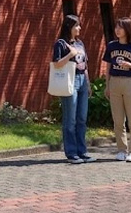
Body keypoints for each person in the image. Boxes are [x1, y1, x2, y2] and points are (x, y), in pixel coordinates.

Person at [52, 14, 95, 164]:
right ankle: (71, 153)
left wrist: (88, 84)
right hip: (69, 82)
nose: (79, 28)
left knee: (82, 118)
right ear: (69, 27)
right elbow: (56, 64)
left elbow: (85, 64)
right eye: (76, 25)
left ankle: (82, 151)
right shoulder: (61, 44)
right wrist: (70, 54)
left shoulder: (80, 43)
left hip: (82, 80)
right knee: (70, 119)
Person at [103, 17, 131, 162]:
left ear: (127, 29)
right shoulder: (111, 46)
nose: (117, 30)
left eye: (120, 27)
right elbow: (108, 67)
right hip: (115, 82)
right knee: (118, 120)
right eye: (116, 27)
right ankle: (121, 150)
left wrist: (130, 65)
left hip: (130, 83)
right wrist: (107, 85)